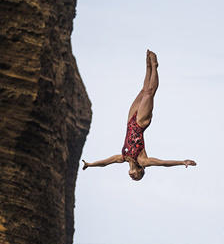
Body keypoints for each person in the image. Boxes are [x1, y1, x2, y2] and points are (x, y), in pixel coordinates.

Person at [82, 50, 197, 181]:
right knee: (149, 93)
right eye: (136, 177)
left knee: (143, 90)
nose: (132, 177)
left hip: (130, 121)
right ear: (140, 171)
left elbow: (105, 163)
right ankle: (154, 66)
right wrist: (182, 162)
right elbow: (162, 163)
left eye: (132, 178)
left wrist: (90, 164)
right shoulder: (142, 161)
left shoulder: (123, 157)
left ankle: (148, 65)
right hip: (141, 123)